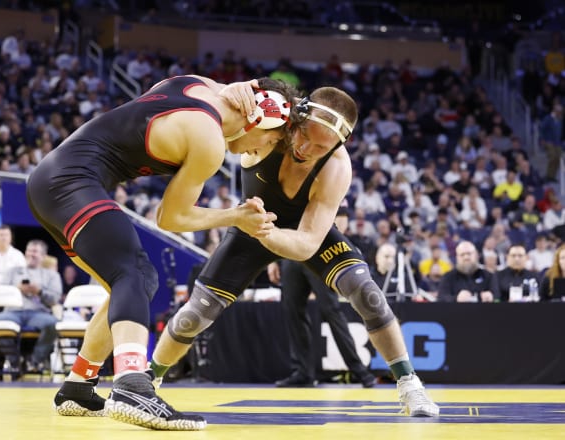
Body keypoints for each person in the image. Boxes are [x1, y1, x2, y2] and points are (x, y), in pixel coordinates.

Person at [26, 75, 298, 430]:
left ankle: (79, 385)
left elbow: (236, 89)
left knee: (128, 285)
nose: (257, 152)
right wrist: (236, 216)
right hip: (70, 183)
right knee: (136, 273)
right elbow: (170, 217)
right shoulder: (209, 140)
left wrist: (247, 86)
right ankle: (132, 386)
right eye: (271, 140)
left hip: (52, 180)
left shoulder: (194, 84)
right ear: (260, 117)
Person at [149, 86, 439, 417]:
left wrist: (268, 232)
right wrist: (239, 91)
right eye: (304, 136)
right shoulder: (273, 125)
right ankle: (148, 381)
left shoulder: (337, 167)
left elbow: (306, 244)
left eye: (321, 146)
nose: (305, 148)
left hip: (297, 231)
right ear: (295, 120)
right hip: (249, 225)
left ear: (339, 145)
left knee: (366, 291)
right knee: (194, 315)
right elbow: (224, 128)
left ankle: (409, 383)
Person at [269, 257, 377, 388]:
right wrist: (272, 260)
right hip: (289, 255)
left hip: (316, 254)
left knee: (331, 311)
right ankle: (303, 373)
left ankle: (359, 370)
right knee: (293, 312)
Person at [0, 239, 62, 373]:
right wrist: (16, 289)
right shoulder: (12, 272)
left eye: (36, 252)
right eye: (29, 251)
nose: (32, 254)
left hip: (39, 313)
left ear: (44, 256)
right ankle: (14, 361)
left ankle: (34, 362)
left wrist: (39, 291)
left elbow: (55, 299)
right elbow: (1, 293)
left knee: (53, 324)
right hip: (13, 311)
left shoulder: (52, 275)